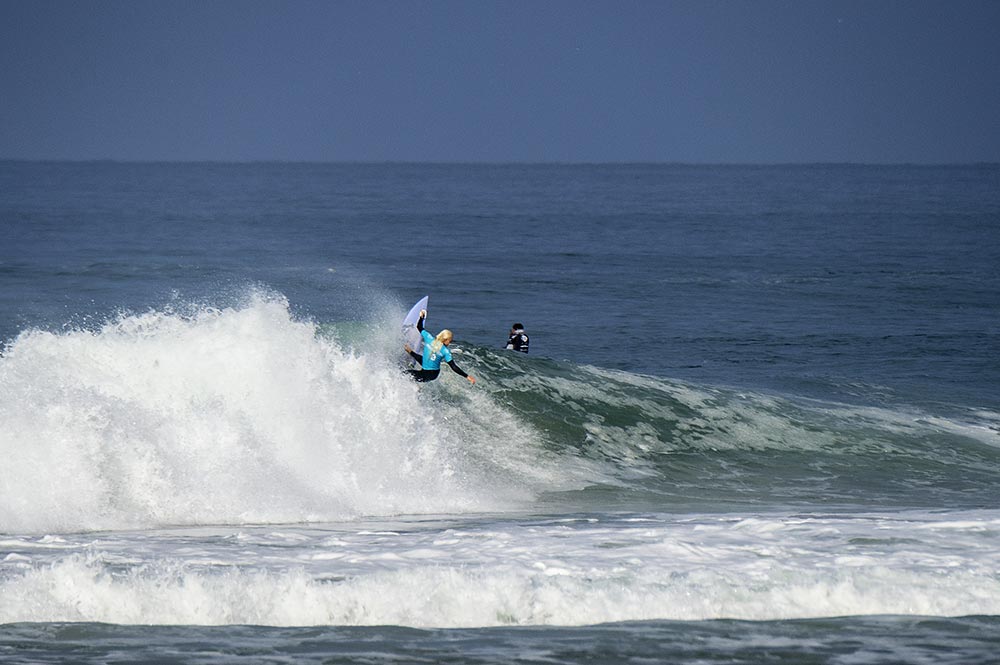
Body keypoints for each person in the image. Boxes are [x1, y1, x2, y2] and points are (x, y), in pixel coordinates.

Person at [404, 309, 476, 385]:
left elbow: (453, 367)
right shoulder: (434, 342)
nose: (450, 342)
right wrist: (421, 317)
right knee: (424, 359)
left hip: (431, 374)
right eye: (449, 340)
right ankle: (410, 351)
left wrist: (467, 376)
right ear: (445, 340)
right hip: (427, 365)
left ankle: (415, 387)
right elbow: (419, 327)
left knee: (406, 374)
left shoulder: (431, 340)